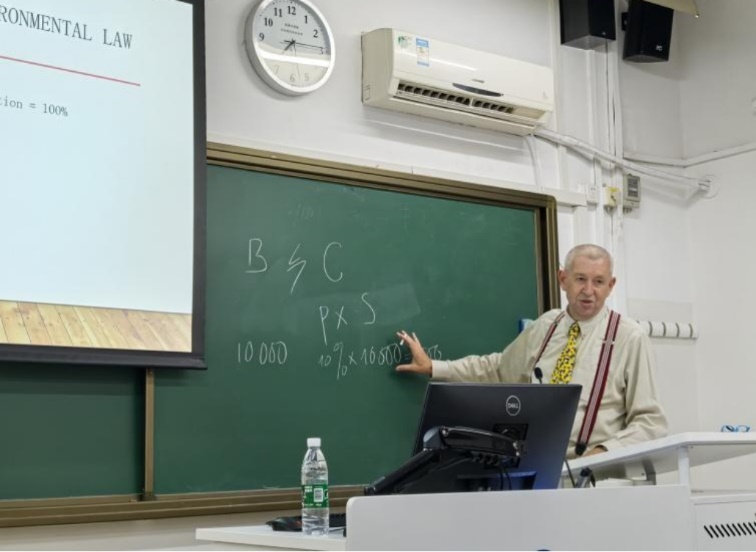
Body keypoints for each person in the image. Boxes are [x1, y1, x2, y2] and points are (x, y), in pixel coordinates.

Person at [396, 243, 667, 459]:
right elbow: (497, 369)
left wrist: (603, 452)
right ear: (563, 279)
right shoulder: (546, 326)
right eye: (580, 279)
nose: (588, 291)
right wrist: (434, 367)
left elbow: (650, 423)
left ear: (611, 286)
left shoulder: (630, 338)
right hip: (536, 468)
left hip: (596, 479)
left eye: (598, 282)